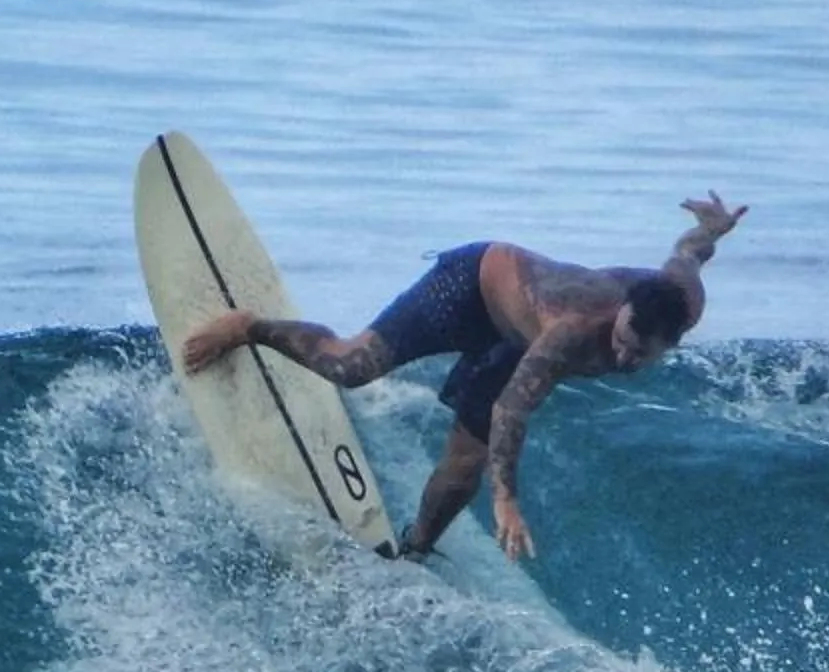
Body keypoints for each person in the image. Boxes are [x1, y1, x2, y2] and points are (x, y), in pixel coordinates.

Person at [179, 193, 746, 562]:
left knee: (461, 471)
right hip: (471, 288)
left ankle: (415, 551)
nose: (624, 358)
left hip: (510, 340)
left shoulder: (682, 300)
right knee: (351, 367)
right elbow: (512, 410)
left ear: (674, 337)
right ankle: (249, 327)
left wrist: (713, 228)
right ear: (619, 316)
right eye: (622, 340)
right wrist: (507, 500)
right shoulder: (573, 329)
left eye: (639, 355)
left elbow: (688, 253)